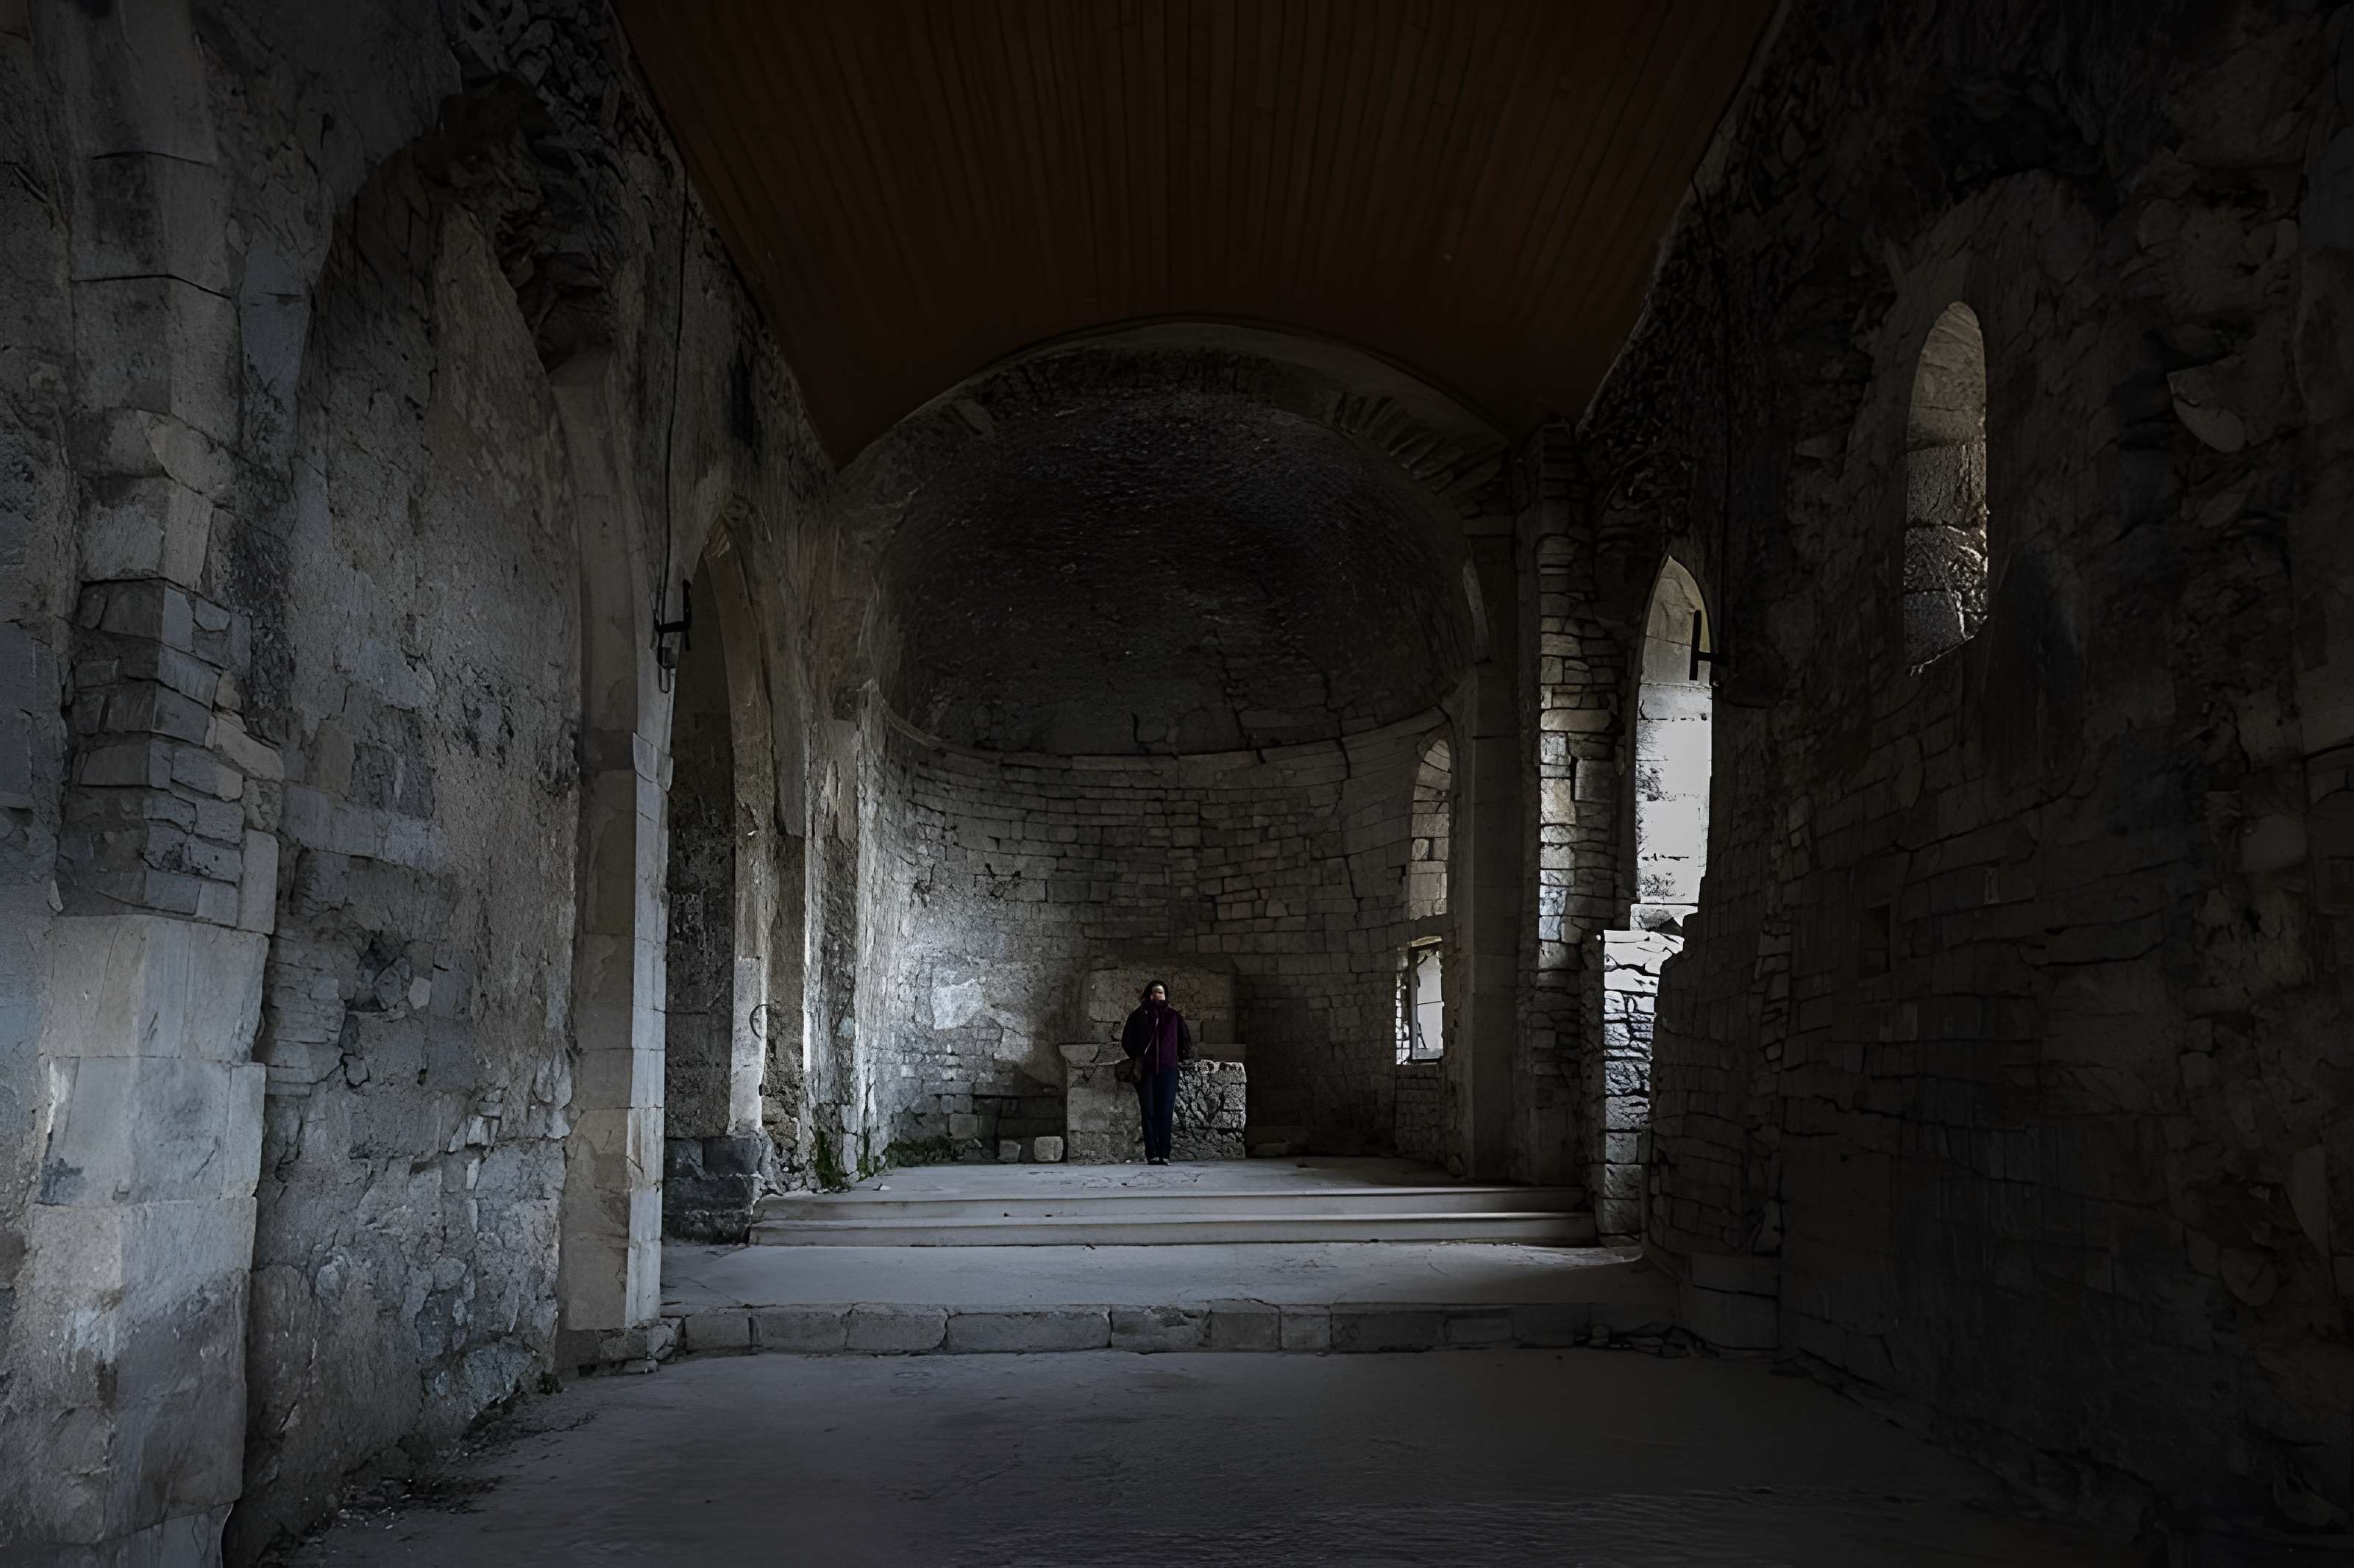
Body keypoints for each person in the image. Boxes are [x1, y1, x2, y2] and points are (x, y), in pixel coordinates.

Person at [1120, 980, 1192, 1165]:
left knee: (1165, 1112)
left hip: (1168, 1071)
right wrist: (1138, 1058)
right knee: (1149, 1112)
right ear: (1148, 995)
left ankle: (1164, 1153)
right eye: (1154, 992)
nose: (1157, 995)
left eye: (1161, 992)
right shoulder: (1138, 1016)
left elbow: (1185, 1040)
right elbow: (1127, 1040)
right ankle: (1151, 1153)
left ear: (1165, 996)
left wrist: (1177, 1057)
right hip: (1146, 1071)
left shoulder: (1174, 1016)